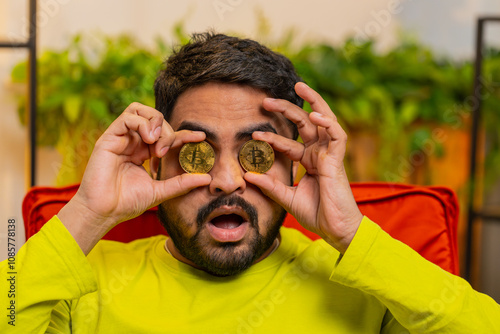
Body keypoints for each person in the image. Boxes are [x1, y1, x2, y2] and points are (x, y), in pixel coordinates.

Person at [1, 32, 499, 334]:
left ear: (293, 166)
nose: (224, 181)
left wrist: (352, 235)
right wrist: (87, 215)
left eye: (256, 152)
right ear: (157, 164)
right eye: (197, 151)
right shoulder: (87, 281)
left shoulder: (365, 284)